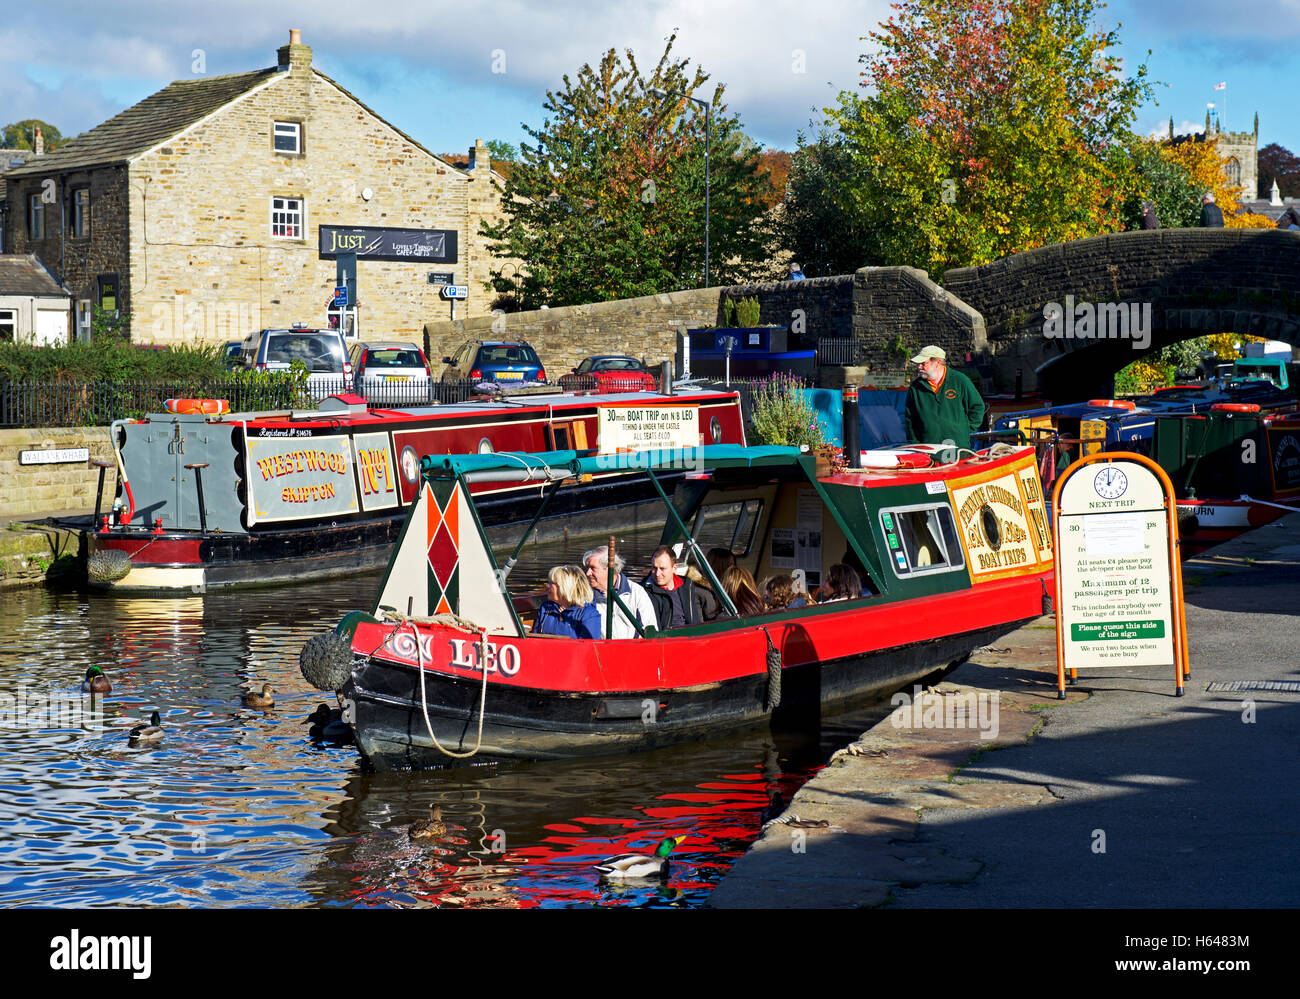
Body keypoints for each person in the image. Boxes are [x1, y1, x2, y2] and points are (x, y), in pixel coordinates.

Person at [904, 345, 985, 451]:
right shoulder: (915, 388)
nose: (919, 367)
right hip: (927, 450)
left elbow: (977, 407)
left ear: (937, 363)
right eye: (919, 364)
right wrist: (915, 444)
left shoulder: (960, 381)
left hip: (957, 448)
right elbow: (909, 419)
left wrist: (964, 430)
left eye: (923, 363)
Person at [583, 545, 657, 639]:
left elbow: (650, 628)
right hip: (599, 651)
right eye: (588, 568)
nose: (588, 573)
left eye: (593, 568)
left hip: (633, 650)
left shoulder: (636, 592)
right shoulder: (585, 595)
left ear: (609, 569)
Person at [642, 545, 708, 629]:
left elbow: (694, 618)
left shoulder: (687, 585)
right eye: (654, 568)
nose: (657, 573)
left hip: (692, 635)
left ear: (674, 568)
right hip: (666, 639)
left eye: (662, 568)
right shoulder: (644, 591)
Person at [533, 565, 601, 639]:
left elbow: (588, 647)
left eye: (551, 583)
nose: (547, 586)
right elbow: (534, 638)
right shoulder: (546, 608)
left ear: (563, 587)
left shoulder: (589, 615)